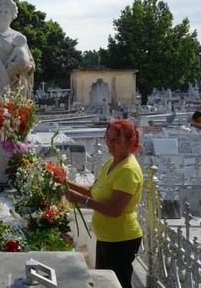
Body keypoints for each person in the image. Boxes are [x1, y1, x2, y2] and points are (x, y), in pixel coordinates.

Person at [62, 120, 143, 288]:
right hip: (107, 237)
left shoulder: (127, 170)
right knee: (104, 283)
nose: (110, 143)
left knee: (117, 284)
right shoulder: (113, 162)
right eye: (108, 138)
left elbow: (115, 210)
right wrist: (66, 182)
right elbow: (94, 191)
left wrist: (81, 200)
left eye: (115, 140)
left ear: (129, 142)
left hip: (120, 239)